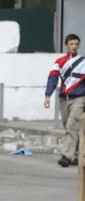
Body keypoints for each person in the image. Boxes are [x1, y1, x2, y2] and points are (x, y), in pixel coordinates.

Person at [44, 33, 85, 167]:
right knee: (71, 127)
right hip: (64, 99)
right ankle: (79, 155)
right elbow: (53, 78)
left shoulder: (83, 62)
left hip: (79, 98)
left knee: (72, 126)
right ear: (66, 45)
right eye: (71, 44)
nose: (74, 47)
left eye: (76, 44)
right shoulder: (59, 62)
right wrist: (47, 96)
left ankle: (66, 156)